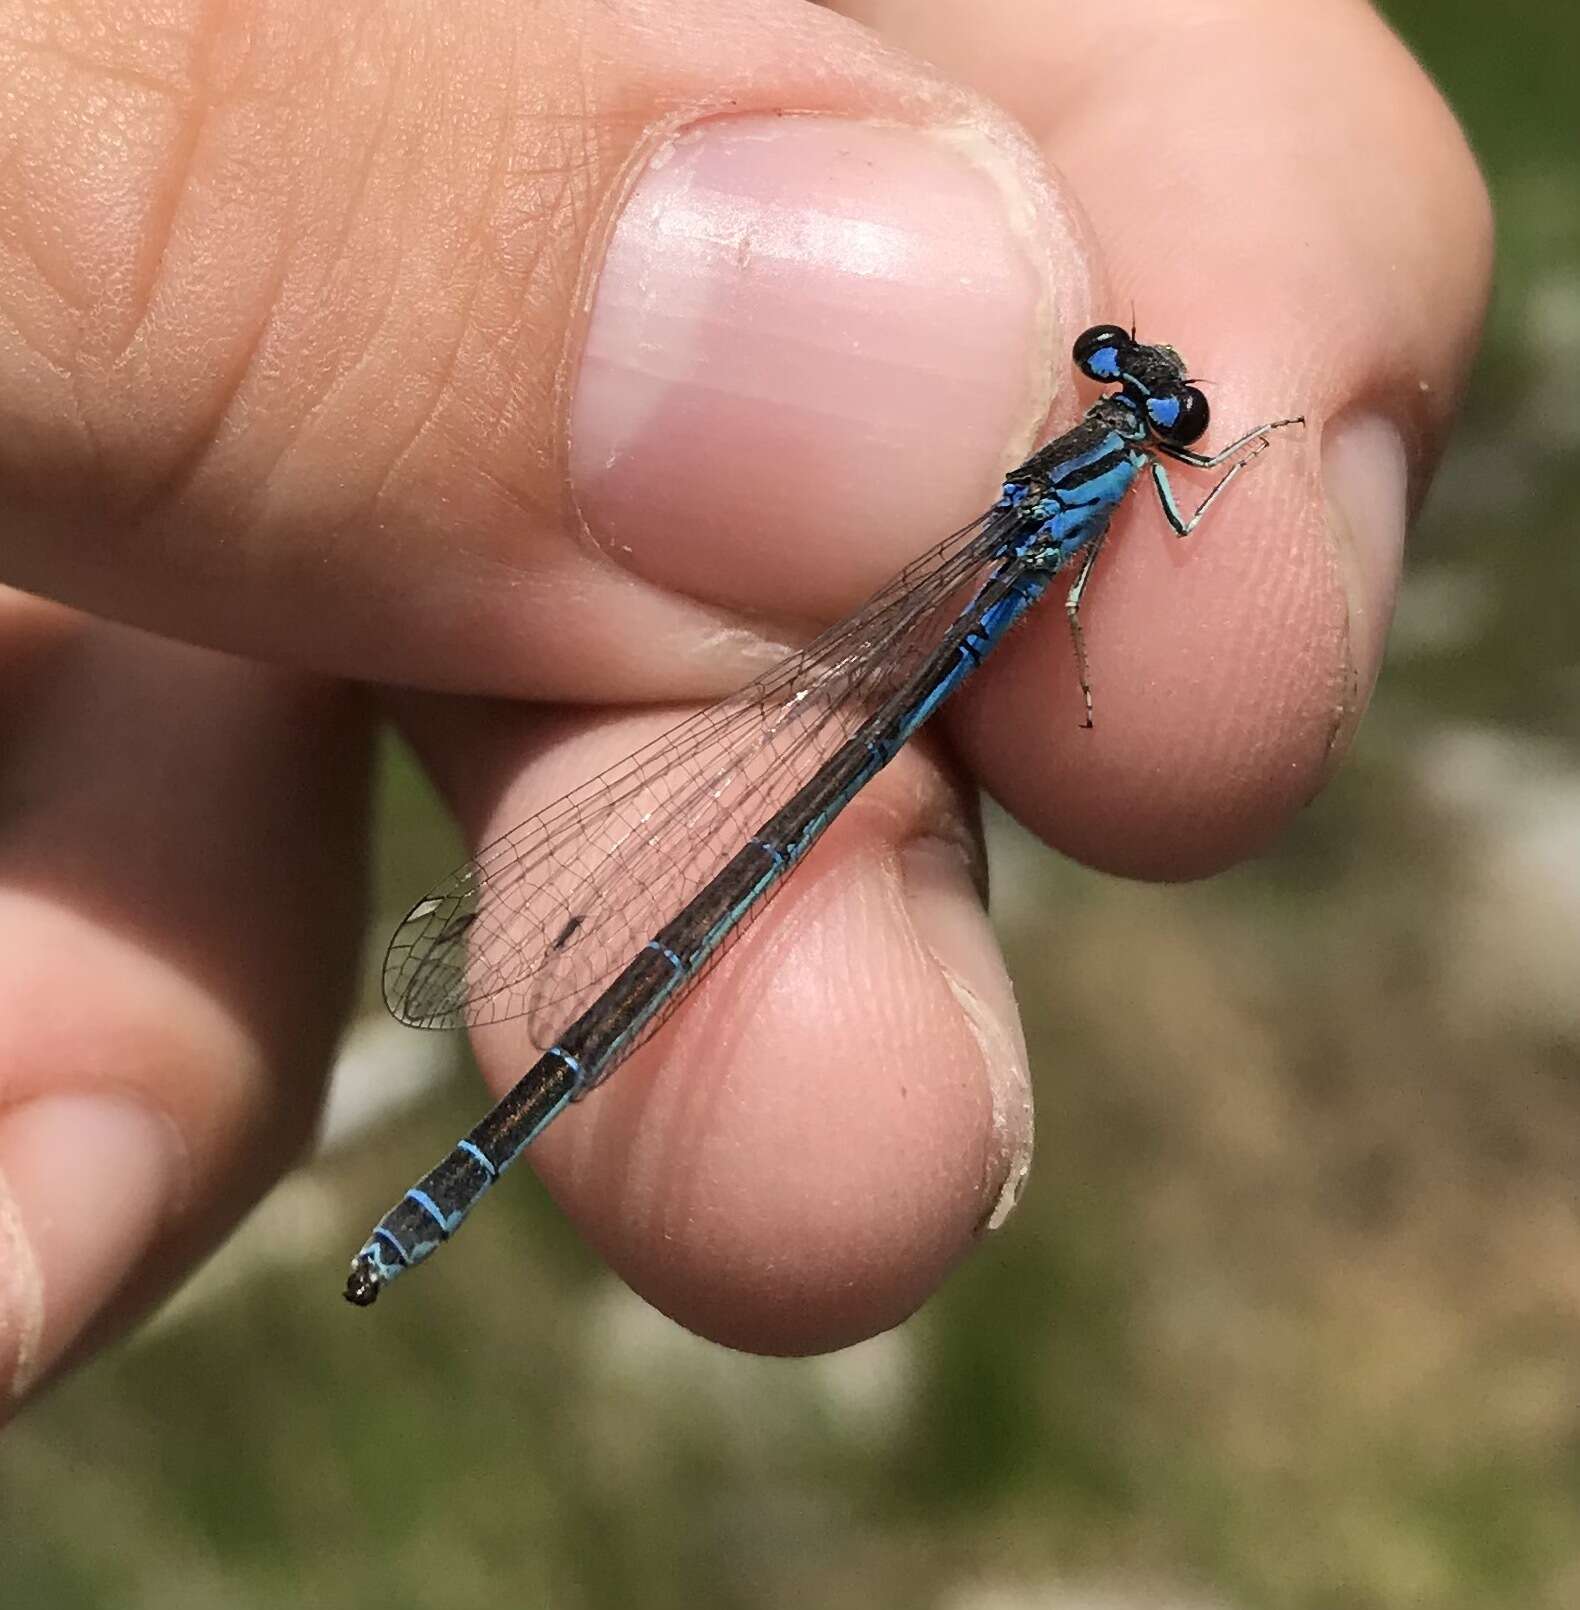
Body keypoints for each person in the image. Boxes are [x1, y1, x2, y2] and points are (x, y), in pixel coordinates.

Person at [0, 0, 1490, 1408]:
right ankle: (465, 1174)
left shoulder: (1085, 461)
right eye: (1141, 391)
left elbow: (1097, 603)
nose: (1144, 392)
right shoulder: (1123, 472)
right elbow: (1122, 576)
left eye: (1153, 395)